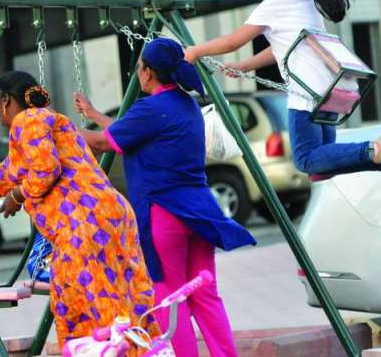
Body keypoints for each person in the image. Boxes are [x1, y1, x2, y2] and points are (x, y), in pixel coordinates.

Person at [0, 71, 159, 355]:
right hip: (113, 215)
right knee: (126, 297)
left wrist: (18, 195)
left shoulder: (27, 120)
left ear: (5, 100)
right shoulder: (52, 123)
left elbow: (46, 170)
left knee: (85, 308)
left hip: (81, 225)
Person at [184, 0, 381, 190]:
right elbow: (282, 47)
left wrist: (196, 51)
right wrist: (245, 65)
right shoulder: (306, 0)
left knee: (307, 159)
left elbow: (233, 41)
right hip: (331, 91)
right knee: (321, 165)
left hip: (307, 95)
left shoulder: (273, 5)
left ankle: (377, 149)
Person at [74, 37, 255, 357]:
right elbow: (127, 132)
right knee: (205, 294)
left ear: (147, 73)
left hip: (164, 214)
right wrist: (94, 114)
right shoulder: (186, 105)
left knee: (170, 297)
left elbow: (103, 143)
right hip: (200, 212)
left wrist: (55, 126)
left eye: (139, 67)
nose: (138, 73)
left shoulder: (150, 109)